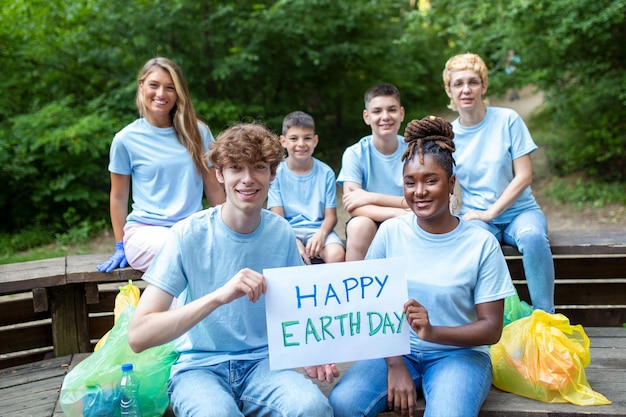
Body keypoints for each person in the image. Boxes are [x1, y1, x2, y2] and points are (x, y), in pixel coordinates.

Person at [127, 122, 338, 417]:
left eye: (259, 167)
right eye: (236, 168)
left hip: (264, 365)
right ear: (219, 174)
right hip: (198, 368)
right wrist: (220, 296)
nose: (248, 179)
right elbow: (139, 336)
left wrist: (314, 352)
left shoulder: (281, 232)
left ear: (272, 174)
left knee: (312, 407)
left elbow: (299, 309)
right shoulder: (187, 234)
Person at [329, 115, 516, 417]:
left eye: (431, 180)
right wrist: (395, 364)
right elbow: (370, 305)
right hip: (396, 350)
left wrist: (433, 332)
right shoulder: (390, 233)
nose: (419, 191)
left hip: (458, 356)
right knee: (343, 402)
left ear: (451, 183)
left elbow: (491, 329)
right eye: (410, 182)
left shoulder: (481, 244)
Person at [442, 52, 555, 313]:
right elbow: (447, 185)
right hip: (478, 219)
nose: (466, 89)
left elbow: (525, 175)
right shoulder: (448, 135)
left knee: (534, 237)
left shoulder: (508, 120)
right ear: (449, 90)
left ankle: (546, 318)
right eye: (458, 84)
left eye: (473, 82)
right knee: (472, 244)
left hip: (520, 212)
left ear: (484, 86)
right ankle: (496, 325)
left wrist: (490, 212)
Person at [97, 57, 225, 273]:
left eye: (170, 88)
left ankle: (163, 309)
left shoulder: (198, 132)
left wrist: (227, 229)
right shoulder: (125, 139)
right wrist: (120, 244)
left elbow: (213, 187)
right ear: (141, 86)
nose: (161, 94)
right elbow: (118, 197)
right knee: (179, 251)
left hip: (191, 230)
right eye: (154, 85)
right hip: (146, 233)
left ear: (178, 94)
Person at [337, 83, 409, 261]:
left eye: (391, 110)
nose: (385, 117)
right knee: (358, 226)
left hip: (411, 216)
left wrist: (371, 197)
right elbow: (353, 206)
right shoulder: (354, 153)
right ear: (366, 116)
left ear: (401, 113)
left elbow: (422, 201)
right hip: (386, 215)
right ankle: (354, 283)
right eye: (377, 111)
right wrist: (397, 213)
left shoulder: (414, 151)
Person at [268, 111, 345, 264]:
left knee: (336, 254)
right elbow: (278, 218)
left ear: (315, 141)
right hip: (287, 231)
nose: (301, 144)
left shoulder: (326, 172)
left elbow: (331, 216)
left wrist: (321, 235)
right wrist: (293, 242)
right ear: (283, 141)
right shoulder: (276, 172)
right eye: (294, 138)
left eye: (307, 138)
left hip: (318, 229)